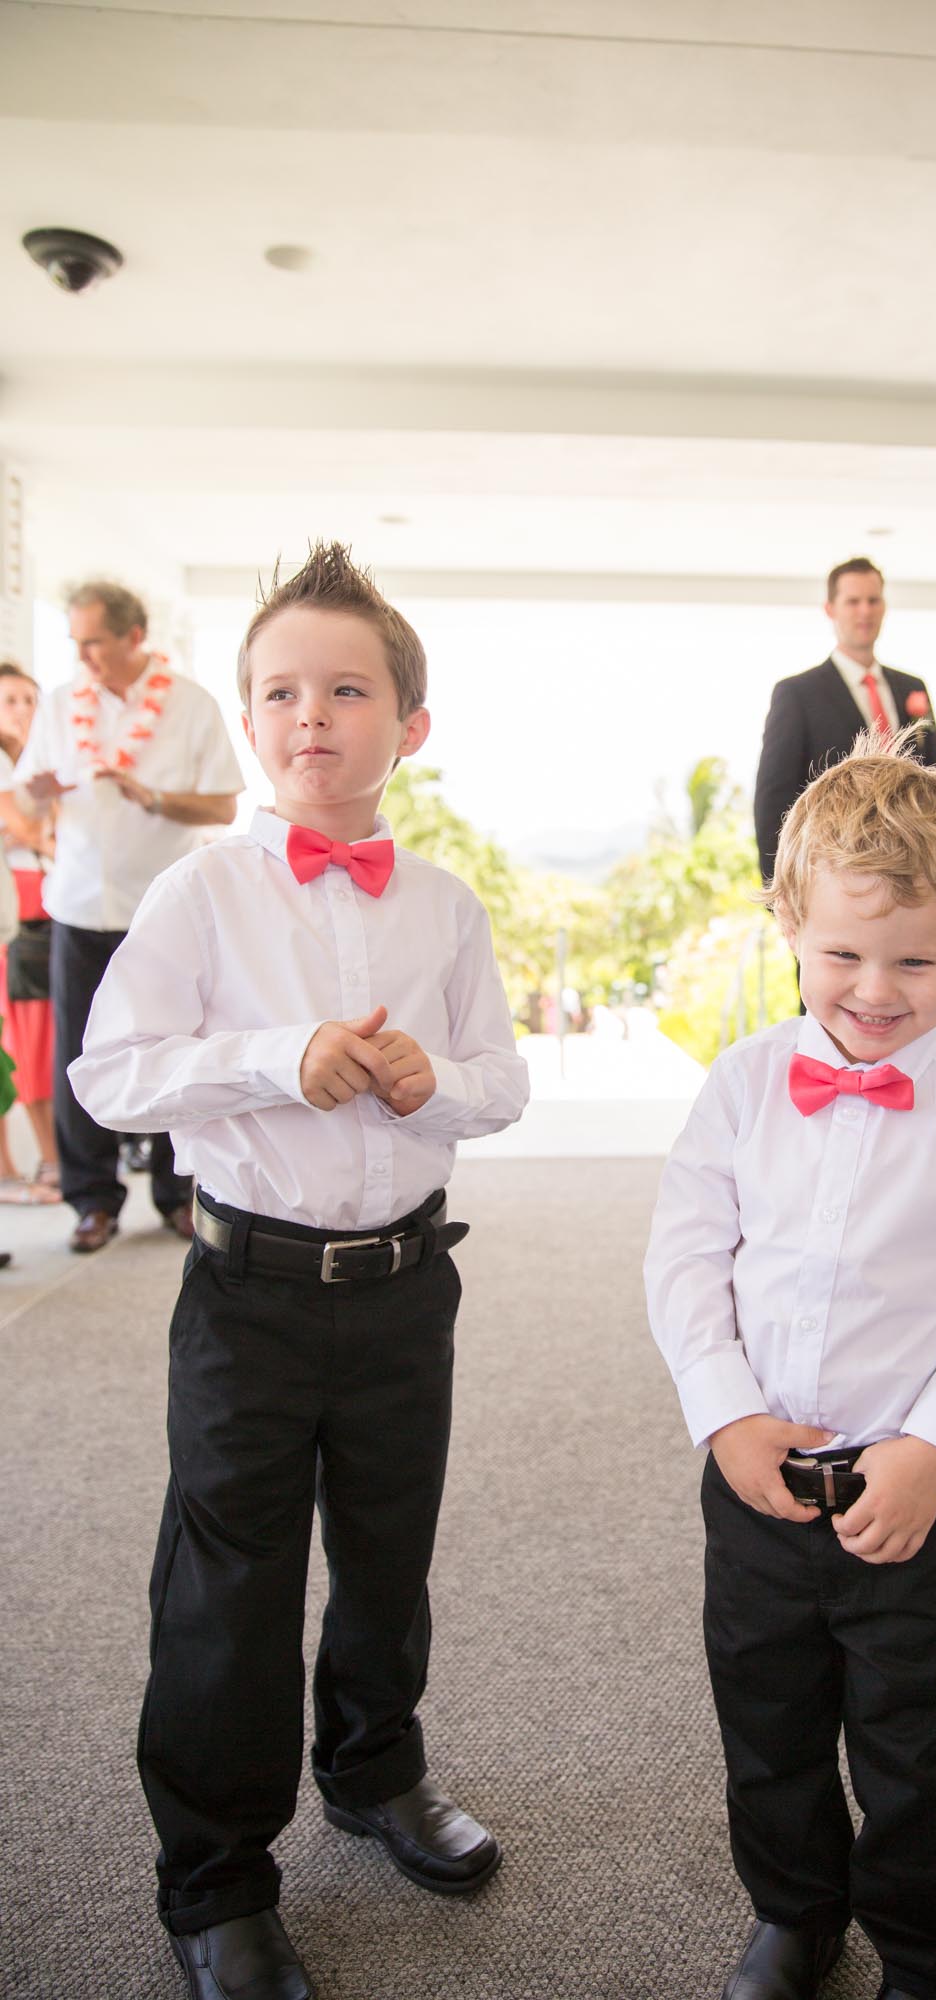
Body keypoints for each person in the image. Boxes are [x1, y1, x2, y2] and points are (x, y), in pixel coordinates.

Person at [70, 543, 529, 2000]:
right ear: (249, 719)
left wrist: (432, 1079)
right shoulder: (201, 892)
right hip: (249, 1296)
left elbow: (502, 1081)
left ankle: (375, 1768)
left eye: (346, 689)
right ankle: (215, 1876)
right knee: (232, 1582)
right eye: (278, 691)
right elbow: (111, 1073)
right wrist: (278, 1058)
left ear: (411, 724)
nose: (309, 715)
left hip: (406, 1287)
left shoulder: (445, 906)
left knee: (389, 1553)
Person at [645, 737, 936, 2000]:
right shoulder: (738, 1087)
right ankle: (794, 1912)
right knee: (766, 1727)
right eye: (841, 954)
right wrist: (724, 1414)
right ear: (788, 920)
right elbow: (685, 1259)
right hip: (757, 1486)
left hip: (912, 1494)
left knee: (920, 1748)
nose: (875, 991)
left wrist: (935, 1444)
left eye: (915, 962)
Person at [8, 583, 244, 1252]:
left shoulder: (191, 704)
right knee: (78, 1053)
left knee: (175, 1045)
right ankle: (91, 1200)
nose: (82, 655)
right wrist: (37, 791)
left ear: (134, 637)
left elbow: (223, 806)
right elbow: (25, 800)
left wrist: (154, 797)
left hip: (162, 905)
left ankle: (177, 1193)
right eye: (75, 642)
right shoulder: (61, 704)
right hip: (79, 902)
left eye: (93, 642)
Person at [753, 557, 936, 887]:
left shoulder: (912, 688)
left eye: (873, 600)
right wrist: (780, 890)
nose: (865, 611)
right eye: (853, 601)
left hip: (915, 873)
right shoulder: (797, 693)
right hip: (834, 875)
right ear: (831, 609)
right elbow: (774, 799)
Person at [0, 661, 60, 1202]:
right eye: (9, 700)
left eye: (28, 699)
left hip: (46, 904)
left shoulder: (41, 760)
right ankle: (44, 1160)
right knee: (27, 1039)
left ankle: (47, 1159)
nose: (21, 710)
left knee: (42, 1037)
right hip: (18, 912)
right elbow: (32, 830)